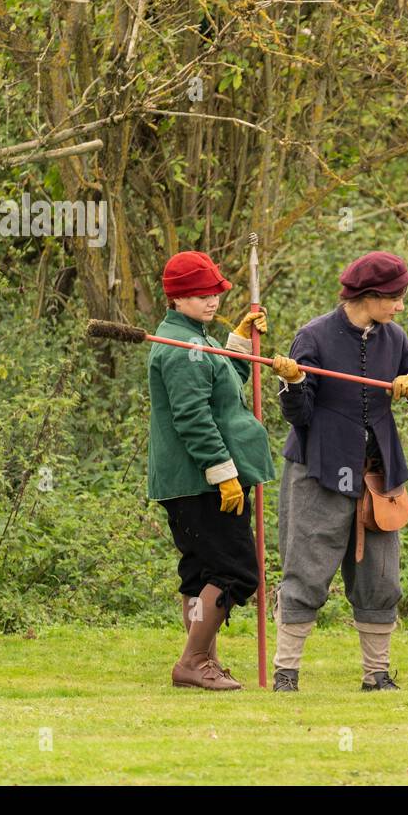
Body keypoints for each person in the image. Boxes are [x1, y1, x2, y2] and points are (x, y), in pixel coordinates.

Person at [270, 252, 408, 692]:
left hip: (378, 477)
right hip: (318, 470)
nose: (401, 306)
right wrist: (291, 384)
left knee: (380, 578)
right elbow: (300, 415)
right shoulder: (313, 337)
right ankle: (286, 675)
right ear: (370, 296)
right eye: (396, 297)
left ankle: (377, 676)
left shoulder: (395, 337)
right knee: (306, 572)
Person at [147, 250, 275, 691]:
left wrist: (238, 341)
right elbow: (194, 418)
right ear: (176, 299)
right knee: (236, 573)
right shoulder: (185, 349)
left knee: (200, 574)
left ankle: (205, 662)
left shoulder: (197, 340)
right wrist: (223, 474)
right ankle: (194, 660)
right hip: (201, 480)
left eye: (215, 292)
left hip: (188, 481)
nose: (211, 301)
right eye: (200, 295)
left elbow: (225, 387)